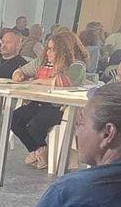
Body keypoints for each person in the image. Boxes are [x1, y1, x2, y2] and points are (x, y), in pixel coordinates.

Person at [9, 27, 89, 168]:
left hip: (60, 107)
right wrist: (19, 75)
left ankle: (41, 153)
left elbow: (64, 82)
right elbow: (21, 71)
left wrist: (38, 81)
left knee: (35, 126)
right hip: (39, 102)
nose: (48, 52)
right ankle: (39, 149)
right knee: (15, 119)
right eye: (48, 48)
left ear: (64, 51)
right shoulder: (43, 61)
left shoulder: (77, 65)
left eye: (52, 49)